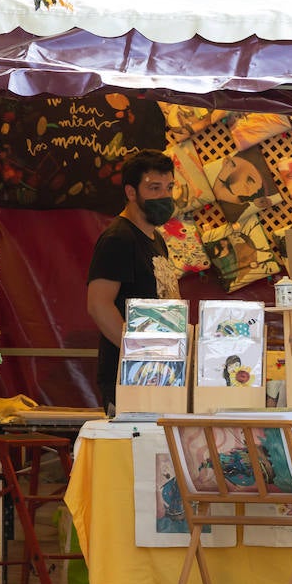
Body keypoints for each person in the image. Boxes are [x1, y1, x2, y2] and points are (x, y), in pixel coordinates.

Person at [87, 150, 180, 413]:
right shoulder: (118, 238)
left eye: (169, 187)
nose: (164, 195)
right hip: (129, 376)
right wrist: (140, 351)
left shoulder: (157, 239)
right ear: (131, 192)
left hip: (161, 372)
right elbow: (98, 305)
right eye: (154, 188)